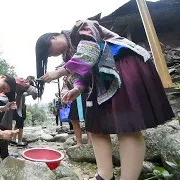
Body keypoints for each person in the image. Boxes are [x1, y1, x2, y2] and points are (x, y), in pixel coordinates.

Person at [35, 20, 174, 180]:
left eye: (51, 52)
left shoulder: (81, 27)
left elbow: (90, 52)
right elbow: (83, 73)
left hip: (123, 64)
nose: (55, 55)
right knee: (95, 124)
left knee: (128, 127)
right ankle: (104, 175)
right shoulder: (70, 55)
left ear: (53, 38)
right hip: (102, 80)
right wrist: (77, 89)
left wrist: (59, 72)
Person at [61, 75, 91, 145]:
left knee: (89, 119)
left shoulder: (82, 72)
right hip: (74, 98)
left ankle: (90, 142)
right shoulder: (67, 77)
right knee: (74, 120)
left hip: (86, 96)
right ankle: (79, 142)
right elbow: (65, 89)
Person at [11, 76, 38, 147]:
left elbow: (33, 95)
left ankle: (13, 140)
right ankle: (19, 141)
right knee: (20, 125)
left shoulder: (20, 87)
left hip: (17, 106)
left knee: (17, 124)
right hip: (19, 107)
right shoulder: (22, 86)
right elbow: (34, 94)